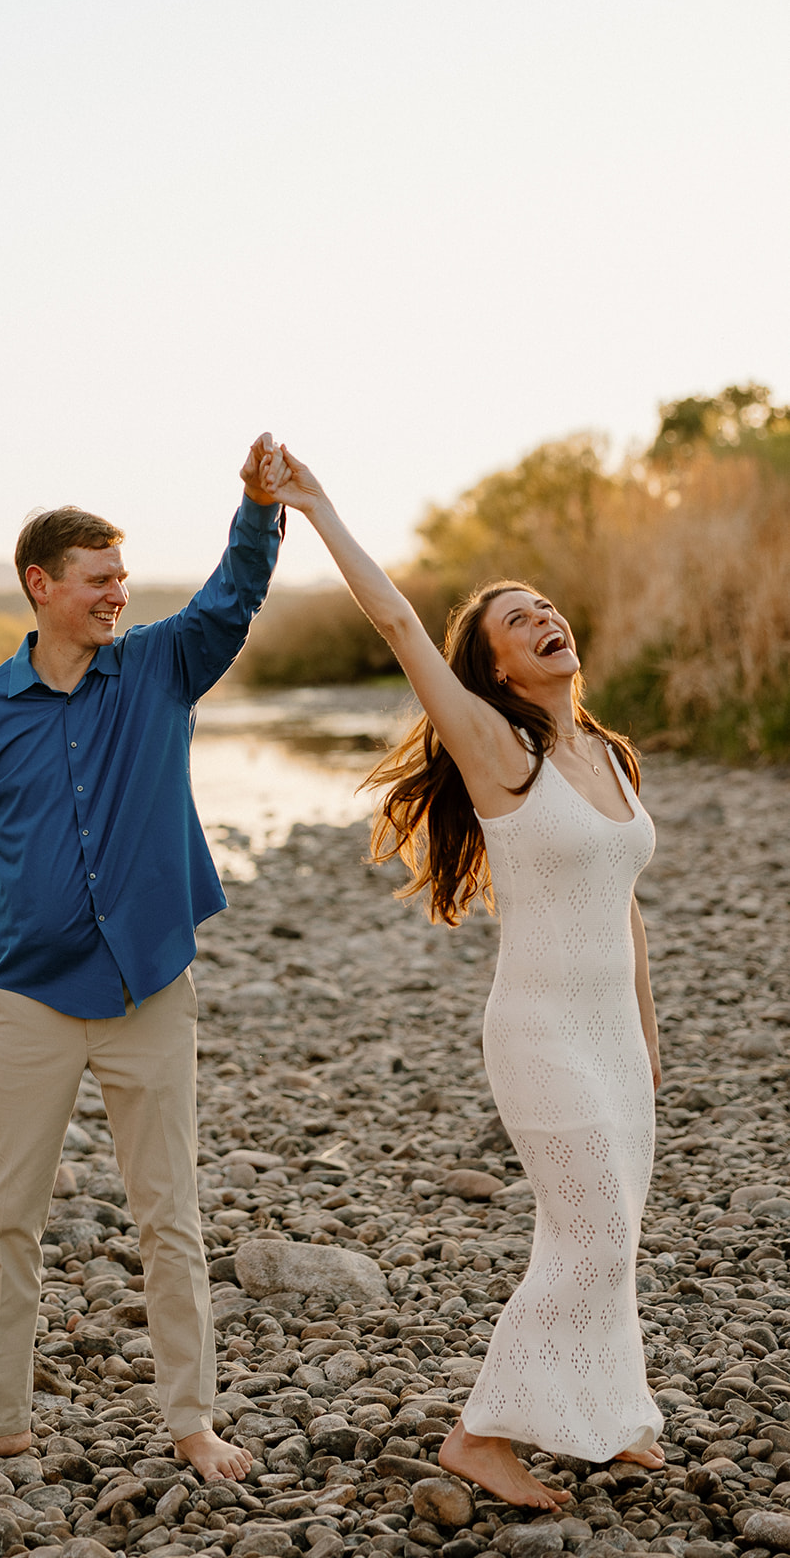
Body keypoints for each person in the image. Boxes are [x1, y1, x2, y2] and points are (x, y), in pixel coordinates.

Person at [259, 444, 664, 1510]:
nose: (544, 618)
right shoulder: (497, 747)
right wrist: (316, 504)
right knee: (591, 1229)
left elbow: (625, 904)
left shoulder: (609, 758)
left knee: (612, 1228)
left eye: (546, 605)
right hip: (538, 1034)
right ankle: (480, 1434)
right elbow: (398, 622)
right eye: (515, 620)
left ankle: (611, 1415)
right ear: (492, 671)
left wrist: (649, 1038)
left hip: (613, 1039)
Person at [0, 436, 285, 1490]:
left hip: (151, 991)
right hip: (27, 998)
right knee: (6, 1219)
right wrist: (21, 901)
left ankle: (193, 1423)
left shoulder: (164, 665)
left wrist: (255, 504)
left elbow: (235, 594)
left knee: (169, 1214)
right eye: (99, 579)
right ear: (42, 587)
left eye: (123, 577)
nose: (119, 593)